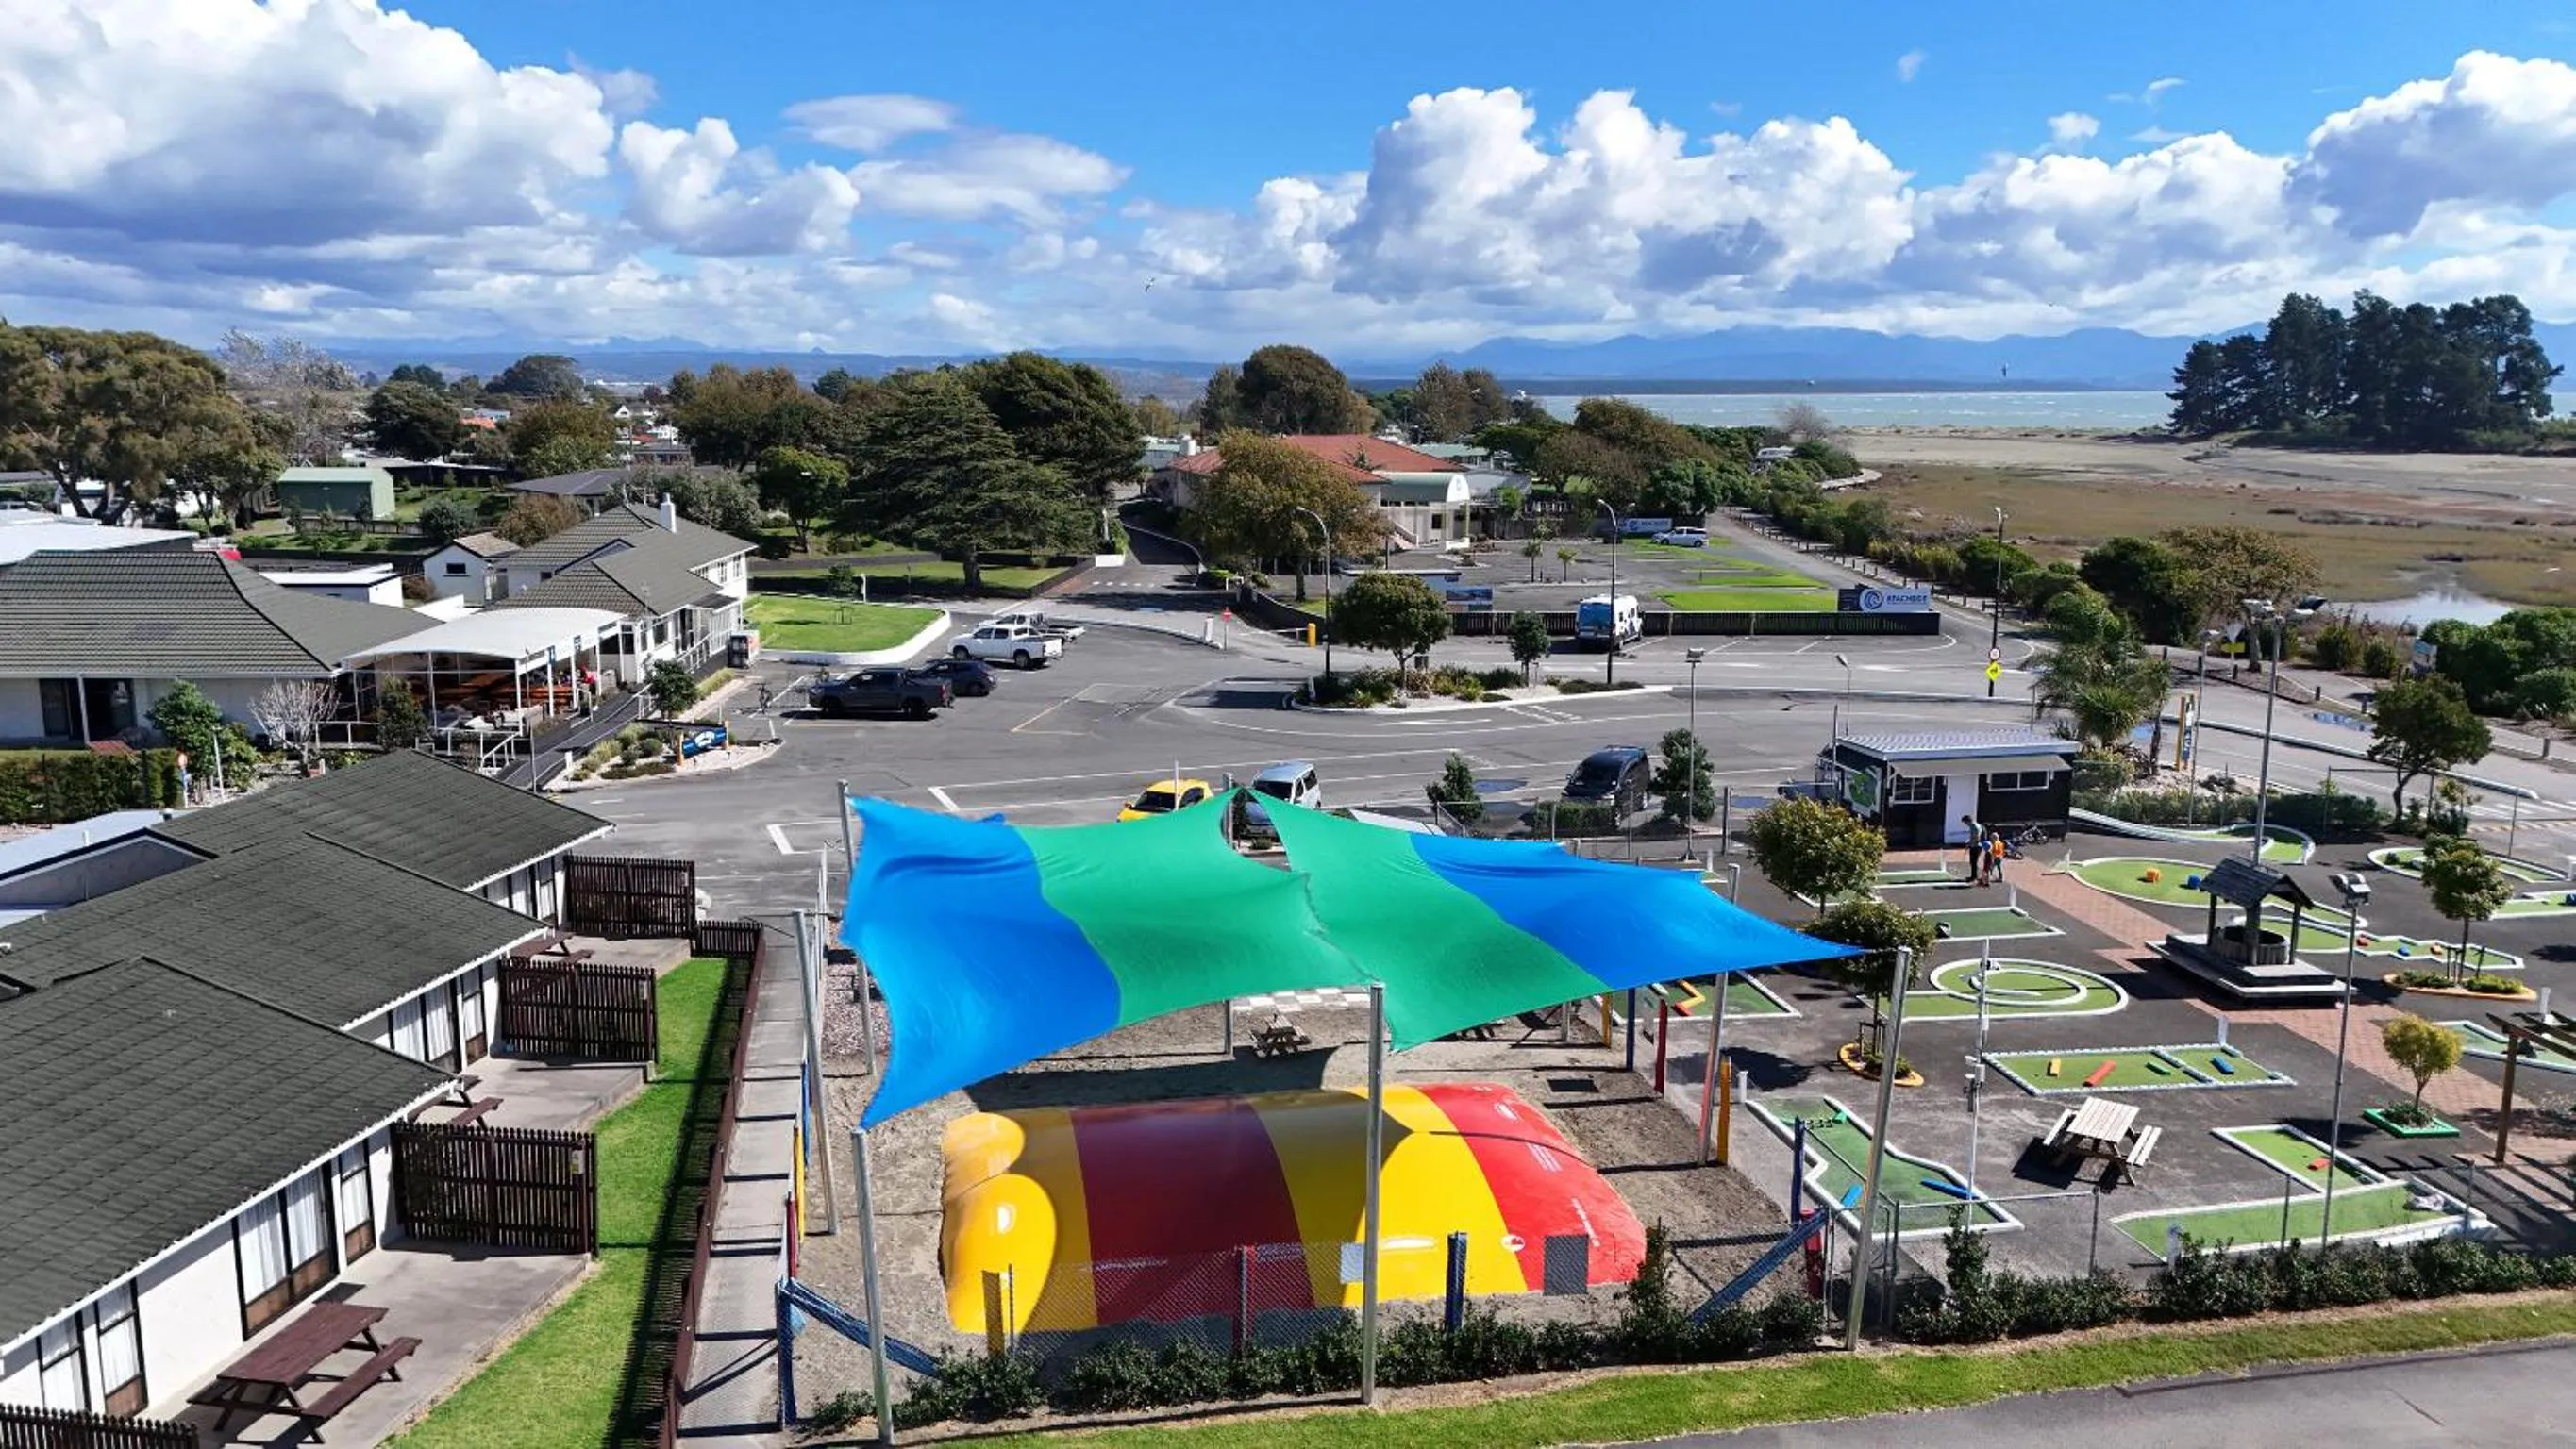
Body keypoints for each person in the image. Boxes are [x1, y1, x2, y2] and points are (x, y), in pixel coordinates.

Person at [1962, 815, 1985, 884]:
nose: (1965, 824)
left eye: (1965, 822)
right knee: (1973, 862)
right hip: (1976, 845)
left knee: (1973, 862)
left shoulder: (1973, 826)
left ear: (1968, 821)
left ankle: (1974, 877)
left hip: (1975, 846)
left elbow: (1975, 838)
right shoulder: (1977, 825)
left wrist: (1968, 844)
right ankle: (1974, 876)